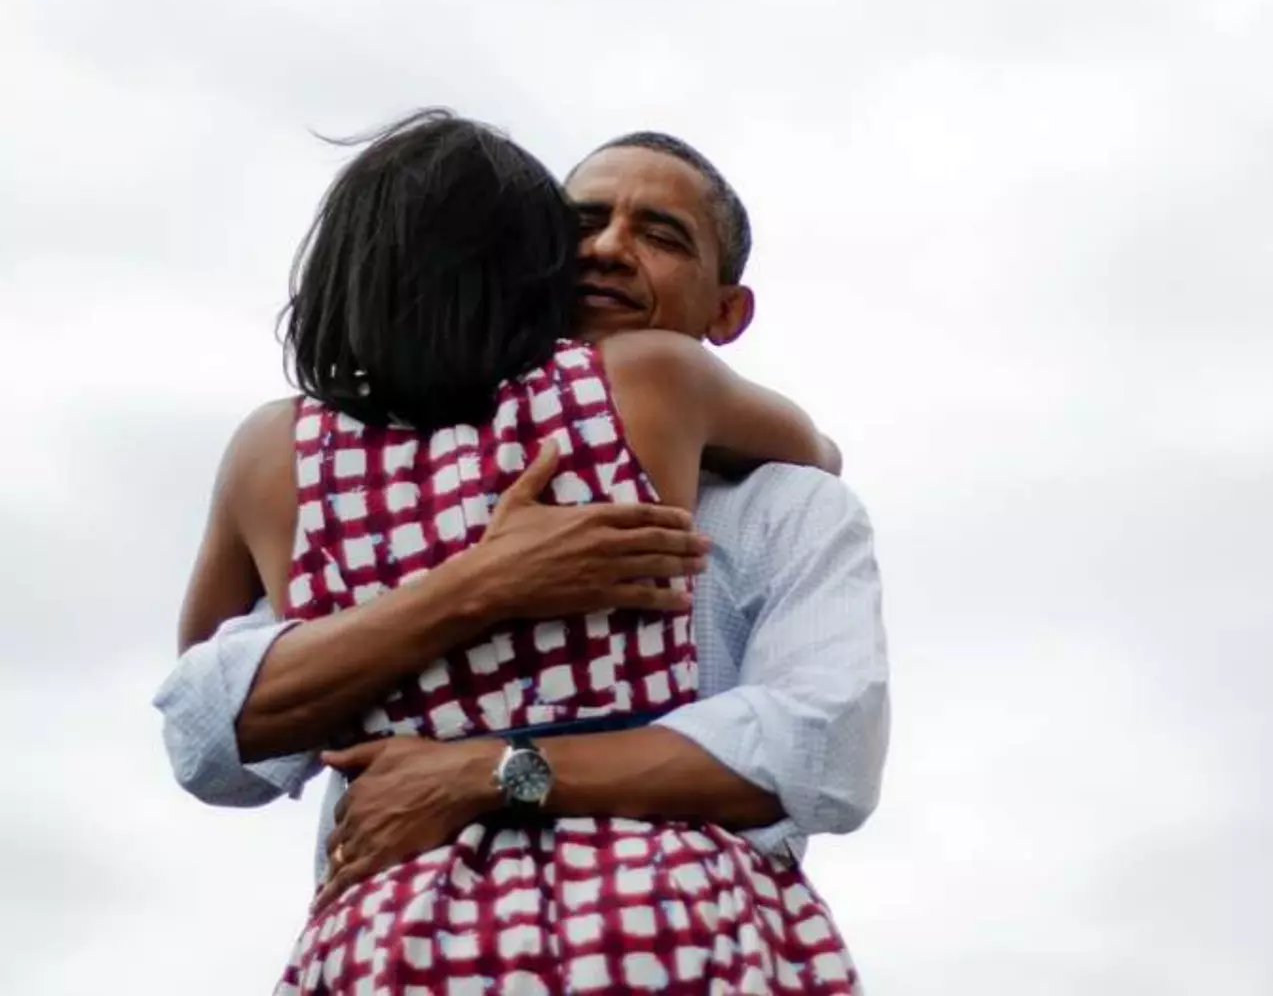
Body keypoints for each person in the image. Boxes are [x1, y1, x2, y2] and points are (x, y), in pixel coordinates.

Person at [161, 111, 881, 994]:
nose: (608, 249)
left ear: (728, 311)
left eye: (660, 236)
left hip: (400, 939)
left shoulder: (304, 471)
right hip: (662, 924)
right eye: (580, 224)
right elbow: (209, 730)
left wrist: (490, 771)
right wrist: (482, 581)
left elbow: (822, 749)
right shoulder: (658, 388)